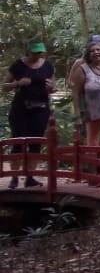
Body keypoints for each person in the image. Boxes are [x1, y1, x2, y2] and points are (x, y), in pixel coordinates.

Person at [4, 41, 56, 188]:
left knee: (36, 142)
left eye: (40, 52)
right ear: (29, 51)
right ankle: (13, 178)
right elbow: (4, 86)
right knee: (18, 142)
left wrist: (52, 87)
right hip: (20, 109)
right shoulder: (18, 65)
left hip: (40, 108)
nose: (37, 55)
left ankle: (30, 177)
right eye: (35, 52)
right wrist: (18, 83)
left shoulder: (47, 66)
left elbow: (53, 87)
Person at [69, 37, 100, 148]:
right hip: (93, 113)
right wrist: (77, 115)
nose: (96, 52)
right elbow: (75, 91)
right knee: (92, 145)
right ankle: (93, 164)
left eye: (99, 49)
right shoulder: (82, 68)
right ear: (88, 53)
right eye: (92, 50)